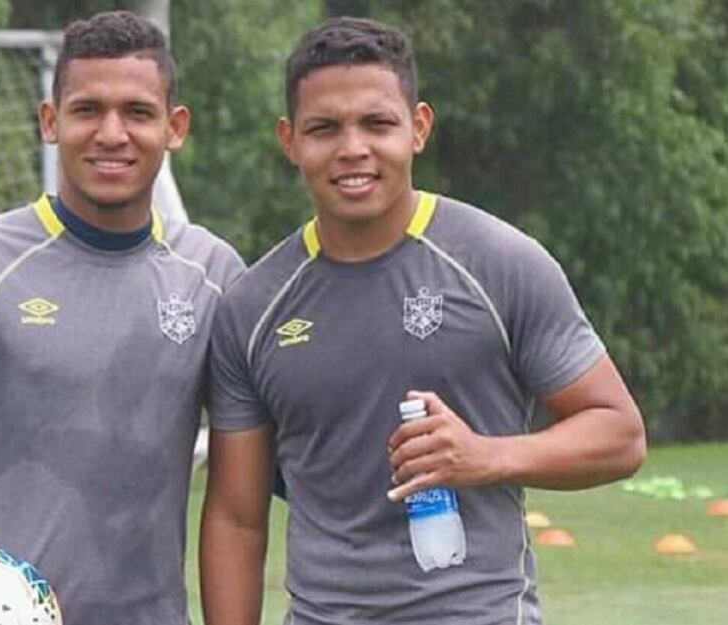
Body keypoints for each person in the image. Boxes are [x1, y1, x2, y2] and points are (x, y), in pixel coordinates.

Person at [200, 16, 645, 625]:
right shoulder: (253, 307)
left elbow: (620, 434)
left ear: (418, 127)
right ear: (289, 140)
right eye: (324, 128)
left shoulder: (501, 263)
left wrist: (485, 456)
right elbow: (236, 518)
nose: (352, 148)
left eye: (377, 123)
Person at [0, 11, 244, 625]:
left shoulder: (214, 275)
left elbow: (272, 467)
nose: (112, 133)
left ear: (175, 127)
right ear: (51, 121)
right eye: (88, 110)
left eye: (137, 112)